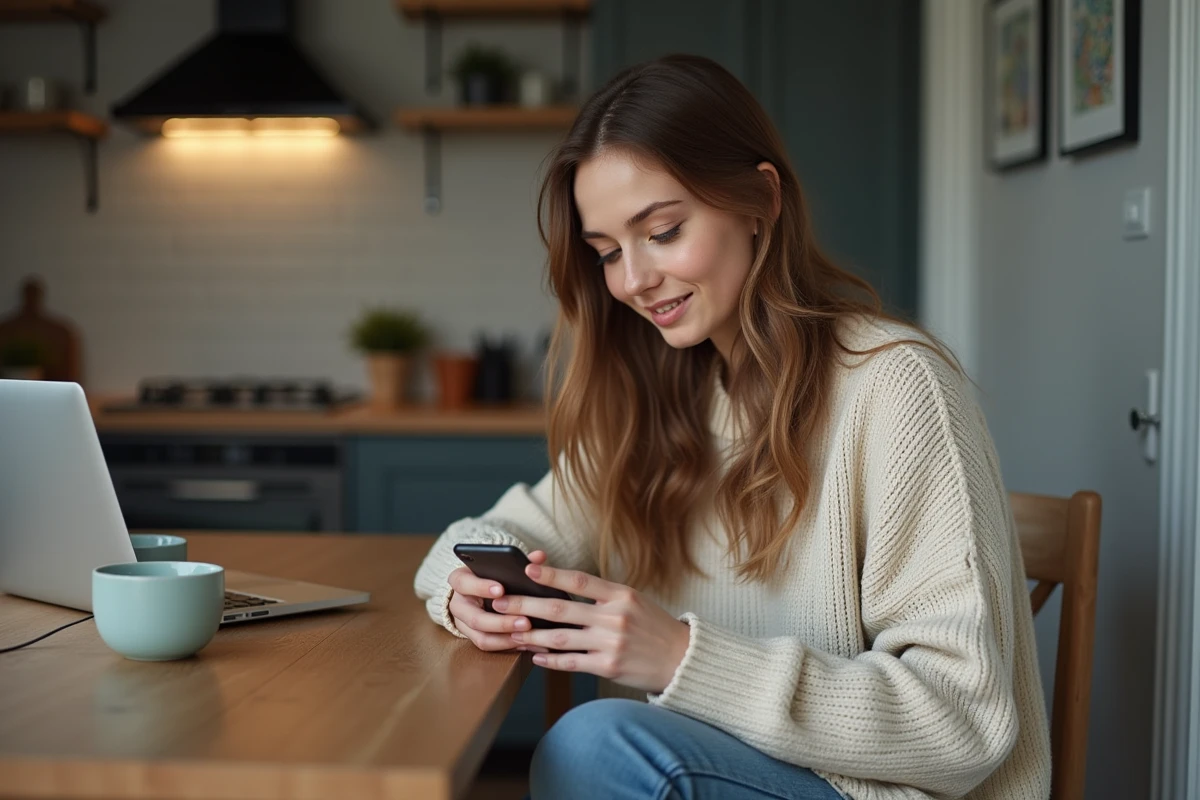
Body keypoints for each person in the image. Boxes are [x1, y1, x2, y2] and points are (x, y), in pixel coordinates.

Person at [414, 54, 1051, 800]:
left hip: (879, 791)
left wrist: (681, 655)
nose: (633, 281)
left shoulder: (896, 389)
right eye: (608, 253)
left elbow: (960, 722)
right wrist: (467, 593)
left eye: (663, 231)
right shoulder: (657, 402)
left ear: (760, 201)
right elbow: (487, 538)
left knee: (595, 748)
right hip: (711, 777)